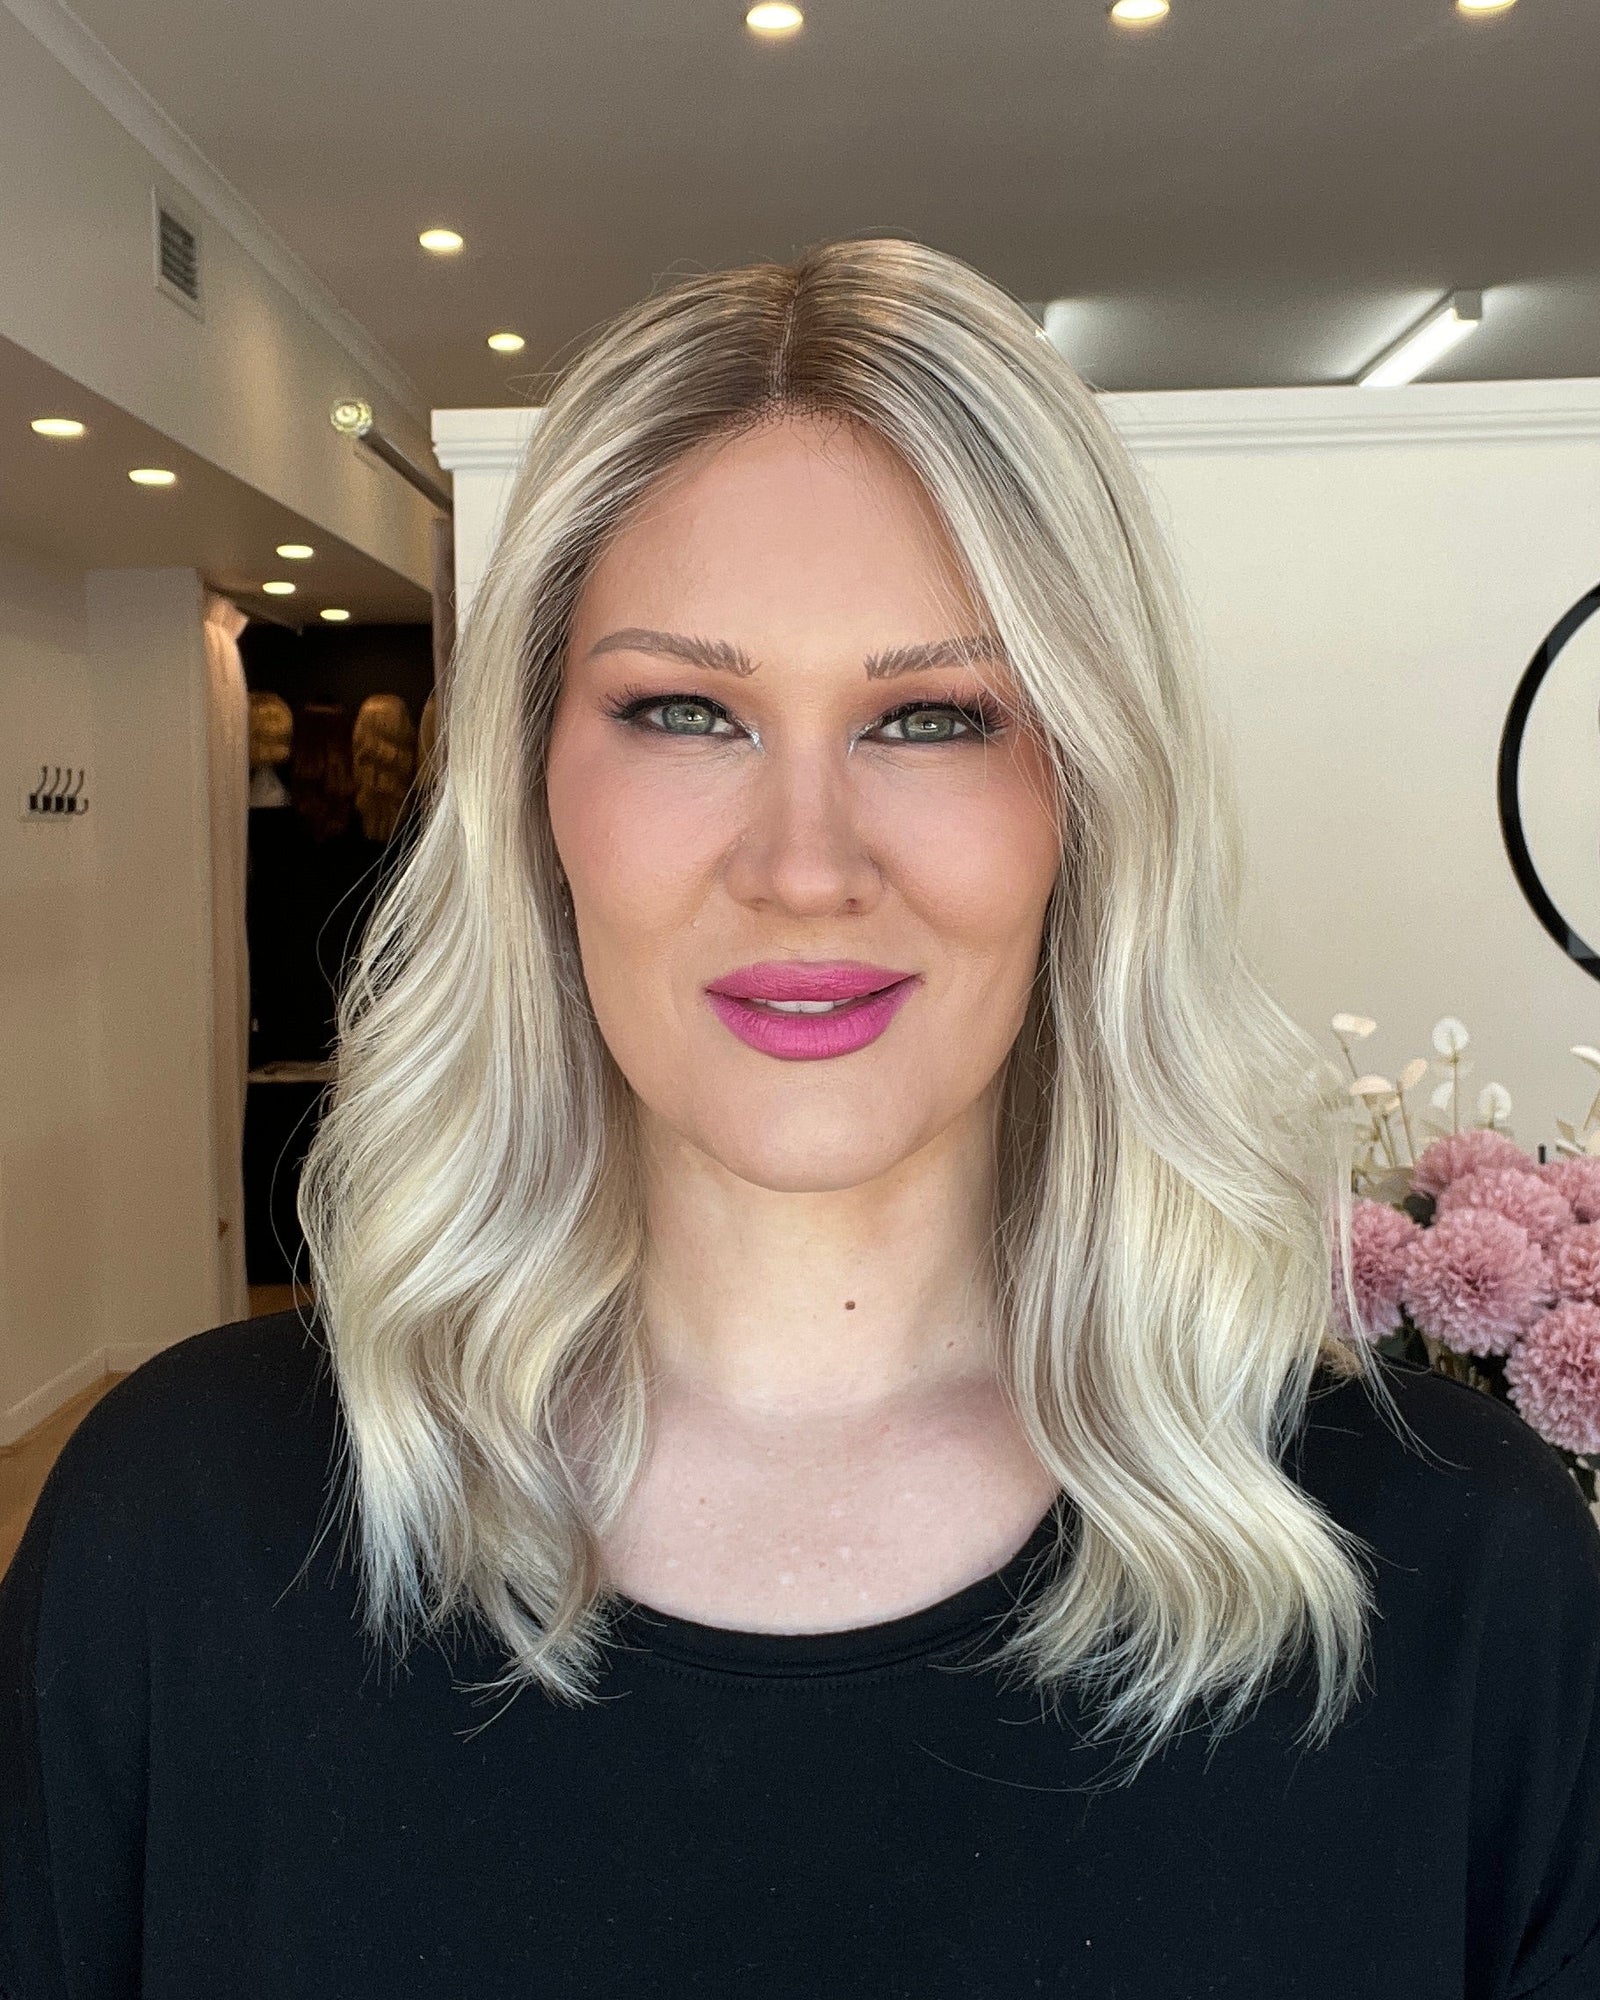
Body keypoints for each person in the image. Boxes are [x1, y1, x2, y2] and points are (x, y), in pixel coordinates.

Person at [3, 236, 1598, 1999]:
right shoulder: (183, 1533)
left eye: (932, 717)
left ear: (1089, 798)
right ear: (536, 792)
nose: (805, 867)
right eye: (687, 710)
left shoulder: (1461, 1586)